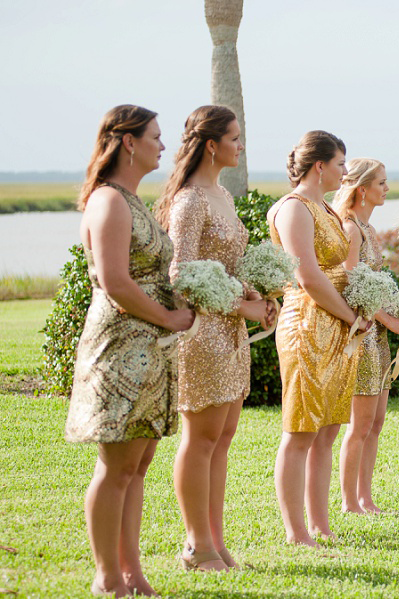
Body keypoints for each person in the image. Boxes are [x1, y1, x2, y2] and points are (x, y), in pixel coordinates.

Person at [65, 105, 194, 597]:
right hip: (121, 347)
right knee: (115, 466)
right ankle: (105, 576)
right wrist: (170, 318)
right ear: (128, 142)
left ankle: (132, 572)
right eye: (156, 137)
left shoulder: (134, 201)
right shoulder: (109, 202)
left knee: (137, 466)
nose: (164, 145)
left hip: (152, 348)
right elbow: (116, 281)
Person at [155, 105, 276, 570]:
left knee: (222, 438)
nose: (241, 145)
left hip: (231, 332)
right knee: (200, 438)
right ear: (212, 144)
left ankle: (216, 540)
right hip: (202, 331)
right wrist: (240, 306)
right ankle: (195, 543)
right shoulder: (189, 201)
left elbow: (222, 267)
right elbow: (181, 274)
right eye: (235, 137)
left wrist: (257, 296)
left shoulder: (221, 194)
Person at [267, 131, 370, 545]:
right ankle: (296, 532)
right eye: (342, 164)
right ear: (320, 165)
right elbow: (307, 275)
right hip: (308, 324)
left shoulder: (323, 207)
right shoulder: (294, 209)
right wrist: (351, 315)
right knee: (300, 430)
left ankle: (321, 524)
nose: (346, 172)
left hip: (337, 326)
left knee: (327, 428)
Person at [334, 158, 399, 513]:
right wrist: (387, 319)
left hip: (378, 333)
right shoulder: (350, 229)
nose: (386, 188)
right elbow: (350, 283)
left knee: (376, 422)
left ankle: (366, 497)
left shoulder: (367, 228)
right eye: (381, 183)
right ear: (362, 189)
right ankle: (349, 502)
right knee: (360, 423)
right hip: (362, 335)